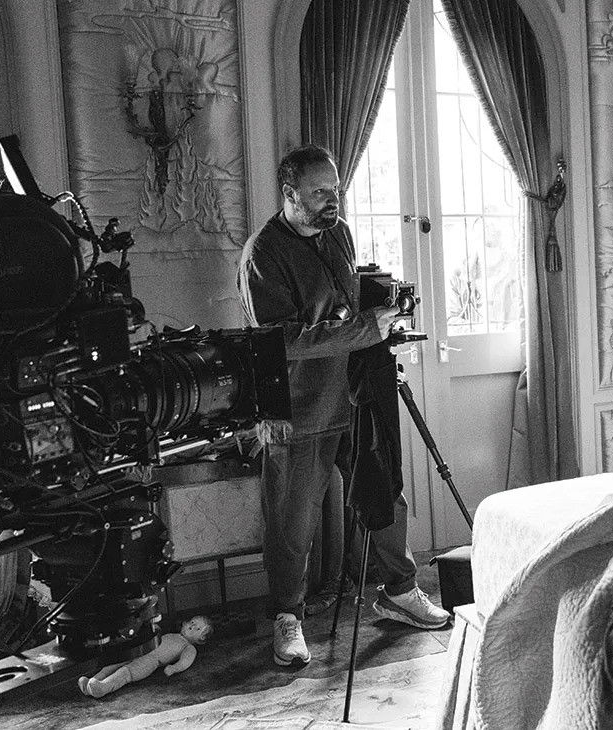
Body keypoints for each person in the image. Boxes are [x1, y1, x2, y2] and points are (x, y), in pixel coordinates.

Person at [238, 145, 450, 668]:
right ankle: (287, 617)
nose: (333, 200)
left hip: (354, 394)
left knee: (384, 491)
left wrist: (382, 326)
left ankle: (398, 590)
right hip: (297, 408)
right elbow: (280, 340)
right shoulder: (262, 254)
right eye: (319, 193)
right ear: (290, 195)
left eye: (335, 189)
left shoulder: (340, 234)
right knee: (292, 521)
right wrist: (362, 329)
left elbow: (347, 310)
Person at [77, 616, 213, 698]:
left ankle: (102, 688)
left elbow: (186, 661)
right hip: (142, 650)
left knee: (125, 672)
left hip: (151, 661)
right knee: (113, 664)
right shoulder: (174, 635)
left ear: (201, 638)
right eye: (192, 622)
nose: (192, 626)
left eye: (198, 628)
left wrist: (174, 668)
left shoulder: (188, 647)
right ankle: (92, 681)